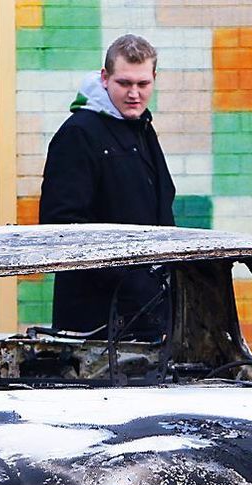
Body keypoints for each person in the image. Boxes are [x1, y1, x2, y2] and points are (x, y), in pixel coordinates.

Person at [39, 34, 175, 340]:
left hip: (146, 311)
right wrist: (131, 280)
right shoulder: (79, 134)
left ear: (154, 80)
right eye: (124, 83)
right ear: (104, 78)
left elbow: (160, 212)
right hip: (96, 322)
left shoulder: (141, 129)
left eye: (143, 84)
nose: (134, 94)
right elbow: (61, 225)